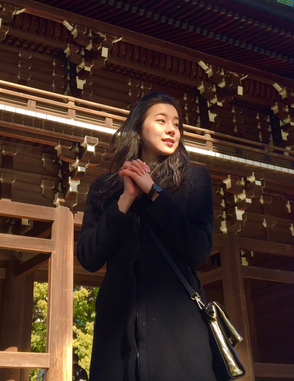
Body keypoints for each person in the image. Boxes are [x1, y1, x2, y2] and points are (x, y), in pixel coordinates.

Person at [76, 92, 220, 381]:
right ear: (138, 130)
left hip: (178, 336)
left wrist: (154, 193)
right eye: (161, 120)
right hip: (115, 339)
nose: (172, 130)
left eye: (177, 124)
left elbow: (198, 250)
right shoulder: (106, 187)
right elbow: (89, 257)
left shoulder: (194, 180)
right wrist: (125, 201)